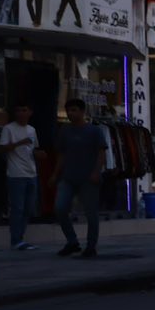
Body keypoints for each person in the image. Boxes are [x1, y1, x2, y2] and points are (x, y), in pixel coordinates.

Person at [53, 98, 109, 258]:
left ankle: (91, 246)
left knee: (91, 213)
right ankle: (72, 242)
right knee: (60, 208)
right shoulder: (65, 130)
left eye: (74, 110)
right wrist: (55, 174)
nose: (71, 113)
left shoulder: (94, 131)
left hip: (88, 178)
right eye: (69, 110)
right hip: (68, 177)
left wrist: (96, 172)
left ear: (82, 112)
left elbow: (101, 153)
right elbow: (61, 155)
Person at [0, 102, 40, 250]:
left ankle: (20, 238)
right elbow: (2, 149)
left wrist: (39, 154)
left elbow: (33, 150)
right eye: (18, 110)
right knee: (17, 208)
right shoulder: (8, 129)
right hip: (16, 175)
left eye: (24, 110)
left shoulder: (32, 130)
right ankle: (15, 240)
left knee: (28, 208)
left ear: (30, 112)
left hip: (31, 173)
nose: (21, 113)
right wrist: (19, 143)